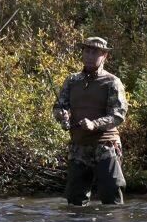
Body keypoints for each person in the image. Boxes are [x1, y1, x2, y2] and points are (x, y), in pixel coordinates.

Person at [52, 36, 128, 205]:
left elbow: (118, 115)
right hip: (79, 147)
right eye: (87, 51)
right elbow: (58, 107)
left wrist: (95, 124)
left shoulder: (112, 82)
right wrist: (62, 116)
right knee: (74, 201)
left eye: (95, 52)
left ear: (104, 56)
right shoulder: (72, 81)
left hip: (106, 146)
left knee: (112, 196)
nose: (89, 55)